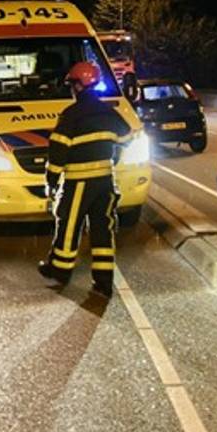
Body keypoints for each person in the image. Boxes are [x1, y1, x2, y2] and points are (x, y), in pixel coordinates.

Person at [37, 61, 132, 298]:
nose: (71, 89)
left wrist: (51, 179)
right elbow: (127, 137)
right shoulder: (110, 113)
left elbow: (57, 151)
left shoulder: (71, 116)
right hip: (106, 181)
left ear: (78, 86)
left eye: (72, 84)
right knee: (103, 228)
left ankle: (60, 270)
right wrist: (111, 155)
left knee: (69, 224)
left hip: (78, 181)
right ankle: (104, 281)